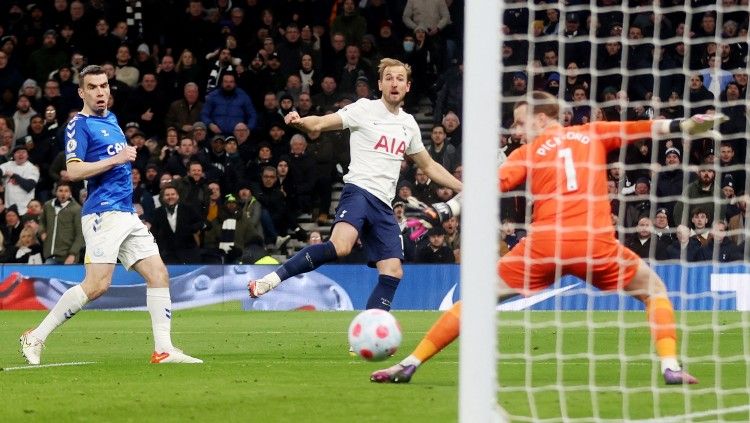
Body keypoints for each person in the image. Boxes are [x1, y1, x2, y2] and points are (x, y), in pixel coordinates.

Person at [370, 91, 725, 385]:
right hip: (595, 245)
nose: (517, 130)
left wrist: (444, 211)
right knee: (655, 291)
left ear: (542, 119)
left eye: (521, 121)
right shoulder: (594, 132)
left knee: (477, 300)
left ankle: (411, 363)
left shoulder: (525, 154)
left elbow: (488, 187)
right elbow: (648, 127)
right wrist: (686, 125)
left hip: (544, 247)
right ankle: (670, 366)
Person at [248, 58, 462, 313]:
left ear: (408, 87)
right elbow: (319, 123)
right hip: (359, 191)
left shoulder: (409, 124)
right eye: (389, 78)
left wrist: (464, 187)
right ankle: (269, 280)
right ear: (380, 84)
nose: (394, 83)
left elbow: (429, 166)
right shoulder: (364, 109)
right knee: (341, 246)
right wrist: (300, 122)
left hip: (384, 204)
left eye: (400, 79)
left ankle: (367, 333)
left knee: (393, 271)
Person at [19, 65, 201, 365]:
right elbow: (74, 171)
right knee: (97, 286)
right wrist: (117, 158)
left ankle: (163, 349)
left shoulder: (113, 120)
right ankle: (36, 335)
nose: (101, 92)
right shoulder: (79, 125)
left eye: (104, 85)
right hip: (103, 213)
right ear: (82, 92)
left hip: (126, 213)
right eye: (93, 87)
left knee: (159, 275)